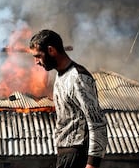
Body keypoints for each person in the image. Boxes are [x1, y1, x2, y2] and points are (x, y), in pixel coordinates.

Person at [29, 29, 107, 168]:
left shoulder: (78, 77)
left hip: (77, 155)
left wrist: (92, 164)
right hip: (65, 156)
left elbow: (97, 123)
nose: (36, 62)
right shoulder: (60, 77)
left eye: (38, 56)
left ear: (51, 50)